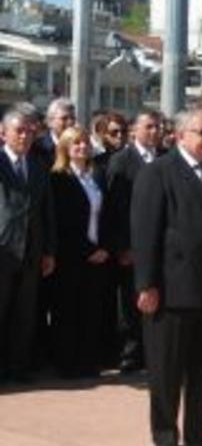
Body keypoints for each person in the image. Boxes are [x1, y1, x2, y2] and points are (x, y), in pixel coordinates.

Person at [131, 107, 202, 446]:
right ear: (180, 135)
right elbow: (145, 232)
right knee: (166, 375)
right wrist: (146, 284)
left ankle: (200, 434)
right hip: (171, 292)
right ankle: (166, 437)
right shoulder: (159, 173)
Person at [0, 103, 56, 383]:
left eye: (29, 132)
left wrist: (48, 251)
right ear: (3, 133)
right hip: (4, 251)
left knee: (25, 315)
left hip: (32, 252)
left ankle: (18, 368)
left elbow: (48, 211)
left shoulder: (38, 165)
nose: (24, 137)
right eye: (18, 131)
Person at [104, 110, 163, 374]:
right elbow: (115, 208)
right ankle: (130, 352)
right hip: (131, 245)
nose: (154, 131)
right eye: (149, 126)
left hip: (160, 244)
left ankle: (153, 351)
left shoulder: (165, 159)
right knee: (129, 301)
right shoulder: (121, 161)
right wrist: (122, 246)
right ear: (135, 130)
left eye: (157, 126)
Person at [49, 126, 111, 378]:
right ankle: (67, 363)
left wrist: (104, 247)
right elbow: (64, 222)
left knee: (91, 310)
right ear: (65, 148)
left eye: (85, 143)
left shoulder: (95, 175)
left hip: (98, 254)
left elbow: (106, 215)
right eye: (76, 143)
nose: (82, 147)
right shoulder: (58, 178)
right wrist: (88, 250)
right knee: (68, 311)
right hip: (72, 256)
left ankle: (88, 361)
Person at [31, 98, 75, 167]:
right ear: (50, 122)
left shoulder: (80, 147)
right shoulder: (37, 148)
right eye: (64, 118)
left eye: (72, 118)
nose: (70, 122)